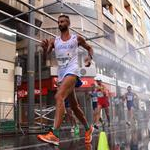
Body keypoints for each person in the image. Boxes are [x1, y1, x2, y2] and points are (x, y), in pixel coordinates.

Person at [37, 14, 94, 145]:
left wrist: (89, 58)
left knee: (59, 97)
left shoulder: (76, 38)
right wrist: (45, 49)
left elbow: (90, 48)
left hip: (72, 71)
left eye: (62, 21)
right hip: (62, 75)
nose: (60, 23)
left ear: (68, 24)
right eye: (59, 22)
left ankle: (54, 134)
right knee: (74, 106)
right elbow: (46, 56)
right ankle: (88, 128)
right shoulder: (54, 40)